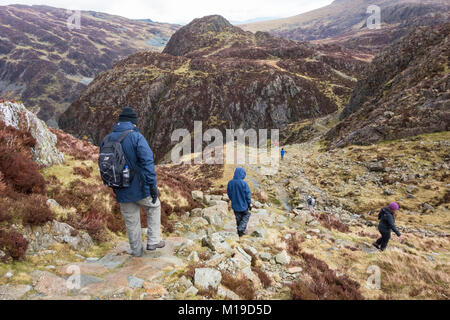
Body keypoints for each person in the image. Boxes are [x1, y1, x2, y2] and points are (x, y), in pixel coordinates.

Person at [100, 106, 164, 257]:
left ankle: (136, 252)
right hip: (140, 186)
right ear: (133, 123)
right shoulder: (136, 137)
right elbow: (148, 162)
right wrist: (152, 185)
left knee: (131, 221)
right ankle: (153, 240)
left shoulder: (107, 139)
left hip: (120, 188)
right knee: (154, 206)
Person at [227, 167, 252, 237]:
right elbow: (247, 195)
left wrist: (232, 199)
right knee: (246, 215)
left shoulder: (230, 183)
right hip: (243, 205)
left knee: (238, 218)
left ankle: (240, 233)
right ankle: (241, 229)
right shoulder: (244, 183)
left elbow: (229, 193)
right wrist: (249, 203)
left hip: (235, 205)